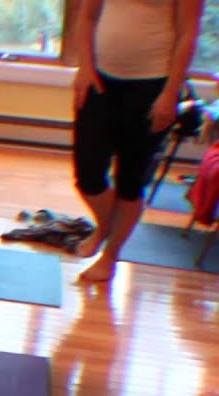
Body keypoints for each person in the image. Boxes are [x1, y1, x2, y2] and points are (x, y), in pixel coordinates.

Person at [71, 0, 204, 282]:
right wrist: (84, 67)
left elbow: (187, 34)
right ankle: (106, 227)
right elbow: (87, 18)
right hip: (100, 80)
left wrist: (170, 94)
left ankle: (110, 257)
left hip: (151, 87)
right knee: (88, 175)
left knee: (130, 184)